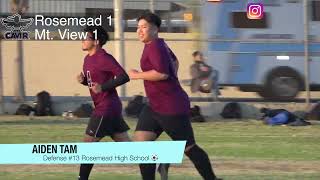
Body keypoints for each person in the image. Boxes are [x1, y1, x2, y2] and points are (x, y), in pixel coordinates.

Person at [128, 12, 221, 180]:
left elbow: (162, 73)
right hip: (155, 105)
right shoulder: (156, 44)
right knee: (141, 145)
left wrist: (138, 75)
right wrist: (171, 81)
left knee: (189, 147)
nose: (139, 31)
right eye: (138, 27)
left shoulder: (155, 46)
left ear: (155, 29)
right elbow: (175, 63)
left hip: (170, 106)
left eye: (144, 27)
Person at [77, 26, 131, 180]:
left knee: (88, 145)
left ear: (96, 41)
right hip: (108, 108)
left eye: (86, 37)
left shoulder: (104, 57)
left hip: (106, 108)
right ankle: (158, 161)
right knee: (129, 149)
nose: (83, 39)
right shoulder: (87, 59)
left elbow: (123, 77)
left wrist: (103, 87)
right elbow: (95, 84)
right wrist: (84, 82)